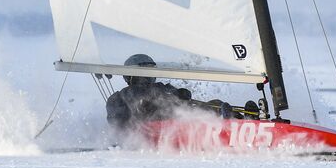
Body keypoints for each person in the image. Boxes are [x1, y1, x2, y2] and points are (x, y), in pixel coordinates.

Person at [106, 54, 260, 130]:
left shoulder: (160, 86)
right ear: (131, 74)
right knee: (193, 116)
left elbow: (177, 94)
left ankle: (244, 119)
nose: (149, 76)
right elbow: (116, 123)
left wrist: (182, 93)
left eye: (151, 72)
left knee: (214, 105)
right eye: (145, 72)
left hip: (176, 119)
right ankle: (229, 125)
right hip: (155, 128)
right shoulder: (120, 96)